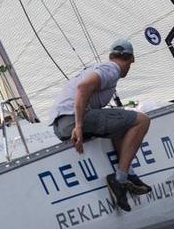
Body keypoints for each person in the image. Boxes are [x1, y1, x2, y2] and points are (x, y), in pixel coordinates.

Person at [44, 39, 152, 213]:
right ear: (131, 59)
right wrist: (78, 126)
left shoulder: (98, 68)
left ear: (111, 55)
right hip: (73, 119)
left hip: (60, 124)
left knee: (120, 125)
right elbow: (82, 88)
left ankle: (129, 174)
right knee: (142, 120)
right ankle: (120, 180)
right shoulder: (112, 69)